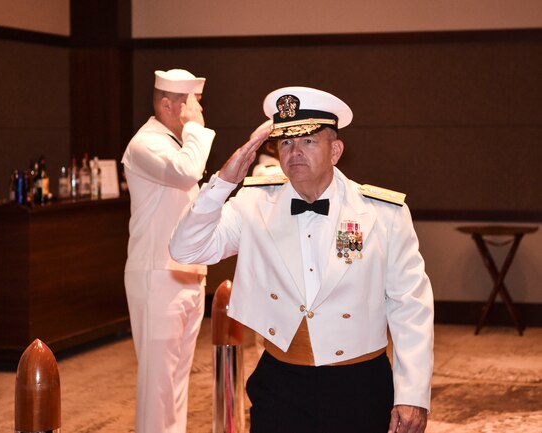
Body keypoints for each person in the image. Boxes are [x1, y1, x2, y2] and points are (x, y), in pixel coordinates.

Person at [170, 86, 434, 433]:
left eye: (308, 141)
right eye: (286, 143)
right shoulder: (254, 205)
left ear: (335, 150)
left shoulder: (382, 213)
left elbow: (410, 305)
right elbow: (186, 249)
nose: (295, 152)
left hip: (359, 385)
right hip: (282, 382)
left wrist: (412, 393)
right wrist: (224, 181)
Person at [121, 69, 215, 433]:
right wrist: (195, 129)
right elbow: (187, 172)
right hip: (156, 274)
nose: (198, 111)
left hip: (187, 272)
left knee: (177, 385)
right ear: (167, 104)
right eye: (193, 103)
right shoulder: (146, 143)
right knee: (157, 386)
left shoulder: (176, 142)